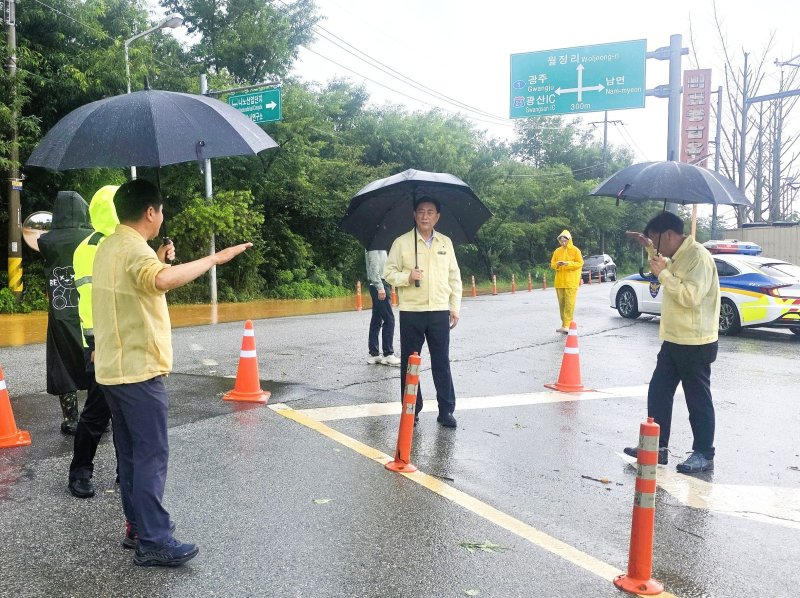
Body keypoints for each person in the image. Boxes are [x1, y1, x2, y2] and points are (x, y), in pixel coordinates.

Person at [93, 179, 252, 567]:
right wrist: (214, 259)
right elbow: (160, 280)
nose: (162, 217)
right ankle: (154, 540)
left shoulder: (109, 246)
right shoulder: (134, 249)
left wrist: (159, 258)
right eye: (161, 210)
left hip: (113, 369)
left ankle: (138, 528)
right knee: (150, 455)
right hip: (138, 369)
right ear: (150, 212)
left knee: (131, 455)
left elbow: (143, 281)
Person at [623, 212, 720, 474]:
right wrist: (648, 248)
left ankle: (704, 453)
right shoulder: (676, 256)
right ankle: (657, 447)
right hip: (674, 339)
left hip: (696, 341)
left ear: (668, 235)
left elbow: (690, 296)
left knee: (697, 398)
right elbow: (662, 264)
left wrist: (664, 275)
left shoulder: (698, 257)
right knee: (659, 392)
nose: (655, 247)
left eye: (655, 239)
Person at [384, 196, 462, 428]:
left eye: (430, 212)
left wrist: (454, 306)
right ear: (414, 215)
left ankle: (446, 410)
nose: (425, 216)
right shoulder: (402, 243)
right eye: (421, 211)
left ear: (437, 216)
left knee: (441, 362)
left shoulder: (445, 243)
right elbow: (388, 273)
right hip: (412, 311)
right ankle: (411, 410)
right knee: (410, 363)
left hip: (439, 310)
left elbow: (454, 277)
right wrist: (407, 277)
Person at [67, 185, 119, 499]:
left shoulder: (119, 243)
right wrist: (97, 342)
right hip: (104, 341)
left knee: (121, 412)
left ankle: (123, 471)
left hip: (118, 339)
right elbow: (93, 299)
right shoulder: (98, 247)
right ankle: (80, 473)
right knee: (99, 412)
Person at [38, 191, 94, 434]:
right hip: (87, 309)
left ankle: (71, 419)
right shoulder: (91, 237)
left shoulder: (46, 241)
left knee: (62, 364)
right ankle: (98, 415)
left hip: (60, 313)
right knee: (94, 359)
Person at [365, 249, 400, 366]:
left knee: (376, 319)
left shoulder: (380, 246)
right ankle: (388, 354)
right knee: (389, 319)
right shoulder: (374, 247)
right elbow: (374, 267)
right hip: (379, 284)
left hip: (380, 283)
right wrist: (380, 287)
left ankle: (374, 354)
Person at [550, 230, 583, 333]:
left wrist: (567, 264)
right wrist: (557, 264)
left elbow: (580, 263)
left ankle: (568, 325)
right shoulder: (557, 251)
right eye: (561, 240)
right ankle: (564, 324)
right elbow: (552, 264)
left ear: (569, 240)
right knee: (562, 304)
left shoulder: (575, 250)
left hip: (571, 282)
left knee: (569, 303)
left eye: (565, 240)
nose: (563, 242)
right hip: (559, 282)